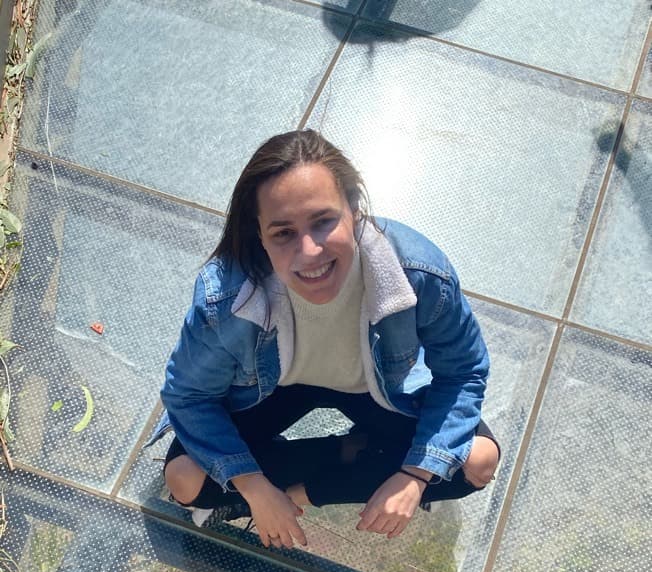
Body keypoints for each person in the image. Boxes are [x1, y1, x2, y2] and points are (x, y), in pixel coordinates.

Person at [157, 129, 500, 550]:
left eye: (323, 222)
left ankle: (299, 491)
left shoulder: (420, 275)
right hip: (271, 389)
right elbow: (187, 396)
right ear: (259, 235)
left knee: (478, 461)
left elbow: (464, 371)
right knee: (184, 479)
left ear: (354, 208)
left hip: (375, 388)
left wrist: (415, 475)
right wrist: (254, 487)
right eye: (283, 233)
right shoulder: (227, 296)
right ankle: (348, 457)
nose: (309, 251)